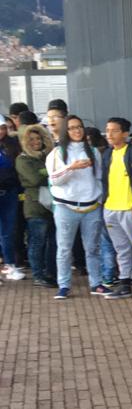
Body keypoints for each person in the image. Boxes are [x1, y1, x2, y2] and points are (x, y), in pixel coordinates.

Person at [46, 115, 106, 299]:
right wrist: (71, 168)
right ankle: (64, 285)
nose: (77, 131)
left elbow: (98, 178)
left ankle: (96, 283)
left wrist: (99, 200)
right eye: (72, 128)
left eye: (79, 127)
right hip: (66, 206)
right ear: (66, 130)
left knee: (93, 248)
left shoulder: (93, 152)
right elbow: (54, 180)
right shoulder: (57, 153)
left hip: (91, 206)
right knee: (64, 248)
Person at [100, 117, 132, 301]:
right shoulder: (106, 154)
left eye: (114, 131)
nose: (110, 134)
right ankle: (124, 283)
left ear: (124, 134)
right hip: (111, 208)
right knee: (120, 248)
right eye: (107, 130)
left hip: (131, 209)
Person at [16, 124, 55, 287]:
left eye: (38, 138)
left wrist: (47, 172)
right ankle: (38, 275)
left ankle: (50, 272)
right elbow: (34, 179)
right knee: (37, 242)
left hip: (53, 206)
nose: (36, 142)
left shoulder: (49, 155)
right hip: (35, 206)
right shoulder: (22, 159)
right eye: (31, 139)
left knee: (51, 241)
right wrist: (49, 172)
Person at [0, 123, 20, 280]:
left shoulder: (13, 145)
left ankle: (10, 264)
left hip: (10, 193)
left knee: (8, 231)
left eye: (2, 128)